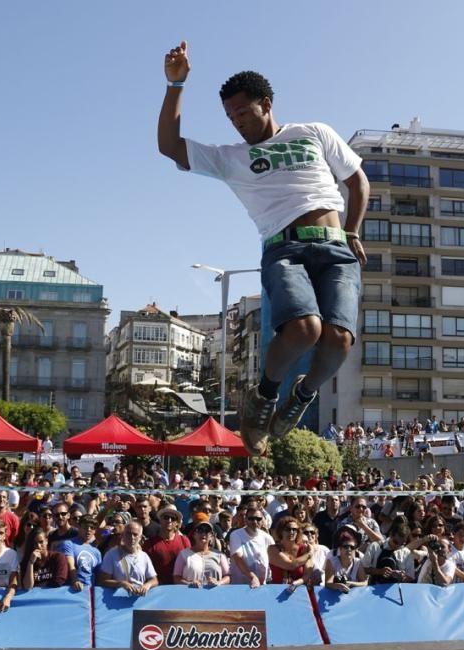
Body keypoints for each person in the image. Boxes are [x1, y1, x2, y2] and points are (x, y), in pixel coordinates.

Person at [158, 42, 369, 455]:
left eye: (243, 112)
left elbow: (358, 181)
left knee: (339, 340)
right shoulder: (231, 158)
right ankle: (264, 396)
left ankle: (302, 396)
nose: (236, 122)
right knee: (304, 329)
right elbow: (169, 145)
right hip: (284, 249)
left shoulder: (314, 132)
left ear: (266, 104)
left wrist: (353, 232)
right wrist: (175, 84)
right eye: (230, 116)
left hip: (335, 248)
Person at [97, 521, 158, 596]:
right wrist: (121, 583)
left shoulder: (144, 556)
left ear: (140, 537)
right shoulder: (111, 554)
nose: (132, 537)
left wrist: (147, 585)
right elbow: (102, 581)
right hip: (116, 600)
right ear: (123, 535)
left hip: (139, 601)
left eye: (135, 534)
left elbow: (154, 580)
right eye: (128, 534)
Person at [173, 520, 230, 587]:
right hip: (190, 594)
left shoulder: (220, 555)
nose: (203, 534)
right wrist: (189, 583)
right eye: (200, 530)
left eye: (207, 531)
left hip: (214, 594)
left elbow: (227, 576)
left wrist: (219, 583)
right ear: (194, 534)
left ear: (211, 536)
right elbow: (176, 577)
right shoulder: (183, 554)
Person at [144, 504, 190, 585]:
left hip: (180, 588)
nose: (169, 520)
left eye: (173, 518)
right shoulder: (149, 543)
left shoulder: (184, 541)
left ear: (177, 522)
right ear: (160, 519)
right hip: (158, 589)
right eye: (166, 517)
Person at [229, 506, 275, 587]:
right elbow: (238, 558)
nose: (255, 521)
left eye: (258, 519)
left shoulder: (267, 537)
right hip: (239, 586)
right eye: (251, 518)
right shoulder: (236, 535)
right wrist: (252, 576)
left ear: (263, 520)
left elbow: (274, 560)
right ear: (245, 519)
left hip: (262, 586)